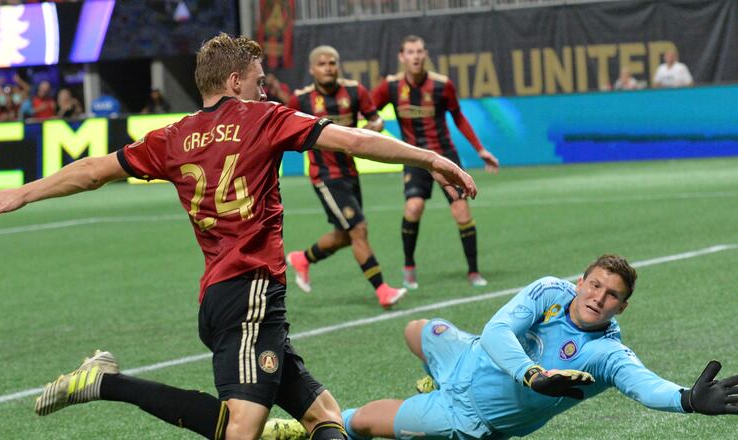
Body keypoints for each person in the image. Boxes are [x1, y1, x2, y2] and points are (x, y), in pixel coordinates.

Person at [0, 33, 477, 440]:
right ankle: (107, 382)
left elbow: (92, 170)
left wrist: (26, 192)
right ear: (235, 81)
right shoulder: (265, 118)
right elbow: (355, 140)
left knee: (326, 419)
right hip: (250, 294)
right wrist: (430, 157)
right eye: (258, 82)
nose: (264, 90)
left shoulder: (171, 137)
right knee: (242, 428)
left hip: (224, 298)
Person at [263, 254, 738, 440]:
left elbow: (644, 386)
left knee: (365, 423)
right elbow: (496, 333)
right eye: (594, 285)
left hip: (470, 416)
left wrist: (688, 400)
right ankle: (438, 375)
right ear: (580, 282)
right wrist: (533, 375)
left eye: (612, 295)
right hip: (473, 353)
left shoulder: (607, 355)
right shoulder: (552, 290)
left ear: (622, 308)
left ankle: (314, 425)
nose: (598, 297)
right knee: (416, 328)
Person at [371, 35, 500, 290]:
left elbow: (459, 118)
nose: (416, 56)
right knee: (413, 208)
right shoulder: (390, 86)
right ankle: (409, 267)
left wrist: (480, 149)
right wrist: (373, 122)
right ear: (401, 57)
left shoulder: (442, 86)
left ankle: (473, 271)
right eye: (410, 52)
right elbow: (369, 110)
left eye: (420, 51)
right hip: (414, 157)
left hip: (444, 156)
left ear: (425, 54)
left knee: (461, 210)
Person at [285, 45, 405, 309]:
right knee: (358, 229)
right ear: (312, 69)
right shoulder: (301, 99)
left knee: (344, 234)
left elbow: (376, 119)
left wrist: (375, 125)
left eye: (332, 63)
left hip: (350, 172)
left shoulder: (354, 91)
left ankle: (302, 259)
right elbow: (284, 132)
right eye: (322, 64)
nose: (328, 67)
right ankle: (383, 290)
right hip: (324, 175)